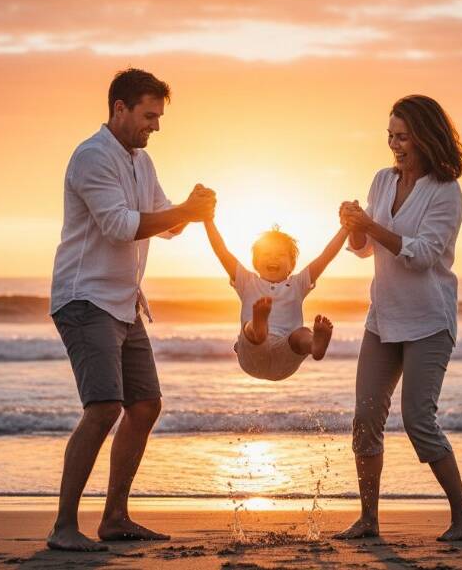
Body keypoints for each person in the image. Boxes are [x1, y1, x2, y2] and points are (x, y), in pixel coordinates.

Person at [48, 68, 216, 551]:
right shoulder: (91, 157)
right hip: (85, 299)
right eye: (149, 115)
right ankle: (63, 527)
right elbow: (121, 226)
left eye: (159, 117)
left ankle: (115, 517)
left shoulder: (142, 161)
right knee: (103, 407)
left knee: (144, 405)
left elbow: (165, 223)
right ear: (119, 108)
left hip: (124, 303)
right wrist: (183, 213)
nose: (156, 126)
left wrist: (191, 209)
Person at [334, 95, 462, 541]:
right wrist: (353, 226)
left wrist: (370, 226)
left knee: (418, 420)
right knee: (365, 419)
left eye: (403, 137)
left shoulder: (446, 191)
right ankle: (368, 520)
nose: (394, 145)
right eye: (390, 136)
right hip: (383, 318)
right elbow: (364, 249)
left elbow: (422, 255)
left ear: (425, 137)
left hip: (429, 321)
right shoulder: (382, 180)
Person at [204, 217, 348, 381]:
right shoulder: (247, 281)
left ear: (291, 265)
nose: (273, 258)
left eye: (280, 255)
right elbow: (222, 252)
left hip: (285, 354)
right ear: (255, 262)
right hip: (252, 357)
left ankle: (314, 346)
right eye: (266, 254)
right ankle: (259, 329)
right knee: (250, 327)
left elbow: (326, 256)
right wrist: (208, 221)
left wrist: (345, 228)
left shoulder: (298, 284)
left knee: (302, 334)